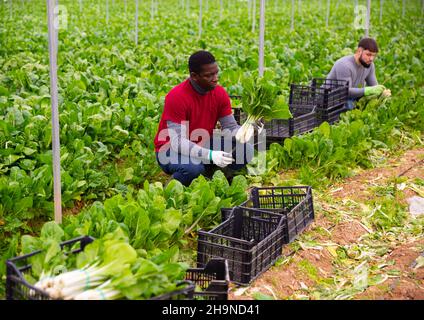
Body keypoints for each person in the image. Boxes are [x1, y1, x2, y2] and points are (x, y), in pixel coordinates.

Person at [154, 50, 253, 186]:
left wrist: (245, 132)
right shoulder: (176, 96)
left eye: (216, 73)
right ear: (194, 76)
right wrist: (211, 155)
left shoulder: (219, 93)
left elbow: (230, 127)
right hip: (169, 149)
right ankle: (172, 189)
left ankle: (214, 177)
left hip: (202, 142)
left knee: (246, 150)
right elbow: (178, 142)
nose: (215, 78)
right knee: (193, 169)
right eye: (209, 75)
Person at [326, 37, 386, 110]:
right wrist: (366, 90)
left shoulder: (370, 65)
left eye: (374, 55)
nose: (371, 59)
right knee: (350, 105)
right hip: (330, 100)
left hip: (350, 98)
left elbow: (374, 86)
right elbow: (345, 92)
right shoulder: (344, 65)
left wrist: (382, 93)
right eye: (368, 54)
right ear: (359, 51)